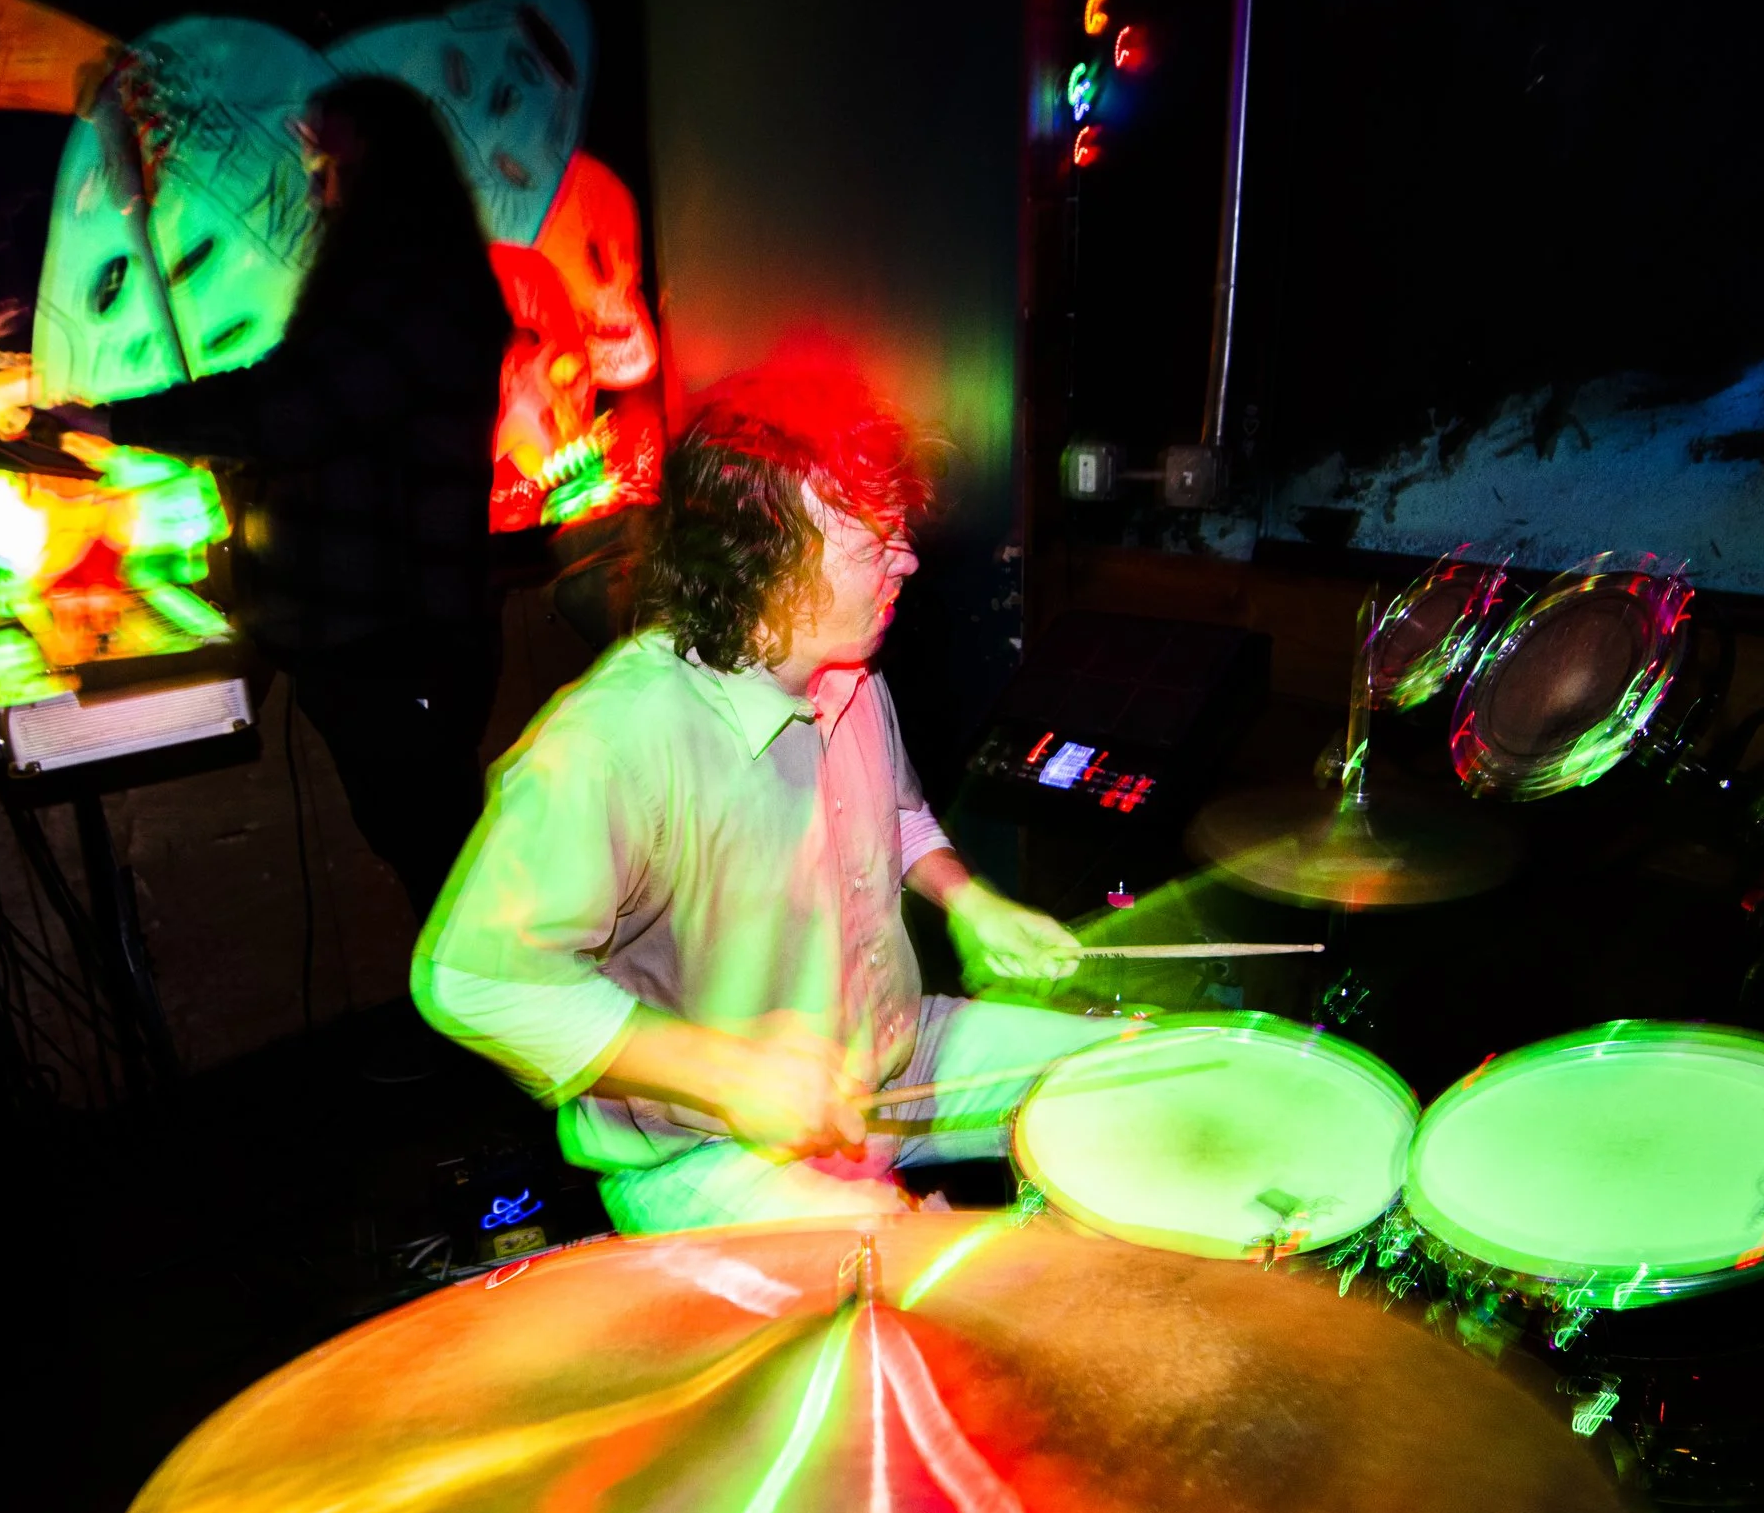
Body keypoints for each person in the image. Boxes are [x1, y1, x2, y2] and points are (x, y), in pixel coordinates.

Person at [412, 359, 1130, 1232]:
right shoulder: (615, 742)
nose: (906, 557)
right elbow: (471, 979)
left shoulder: (851, 674)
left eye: (897, 529)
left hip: (896, 1060)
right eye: (871, 542)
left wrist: (969, 900)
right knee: (924, 1300)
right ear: (761, 566)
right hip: (708, 1149)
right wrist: (727, 1071)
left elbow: (895, 816)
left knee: (1138, 1075)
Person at [99, 77, 510, 914]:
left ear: (380, 170)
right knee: (438, 868)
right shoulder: (406, 277)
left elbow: (292, 411)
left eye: (328, 163)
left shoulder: (413, 287)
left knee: (451, 882)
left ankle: (504, 1040)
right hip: (385, 639)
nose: (317, 186)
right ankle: (487, 1032)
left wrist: (116, 420)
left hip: (398, 643)